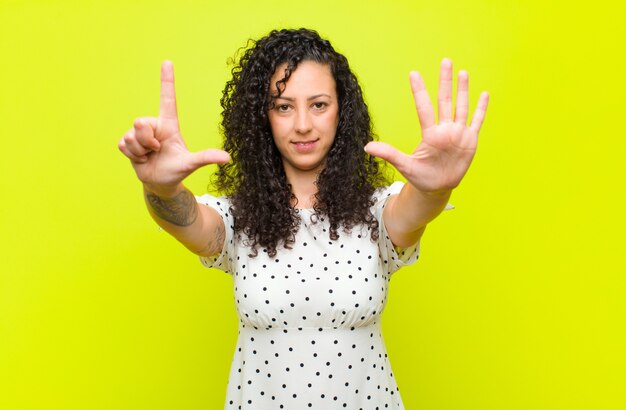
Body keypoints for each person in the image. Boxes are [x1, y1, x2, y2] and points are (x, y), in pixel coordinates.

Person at [118, 28, 489, 409]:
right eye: (283, 106)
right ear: (263, 117)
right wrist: (161, 189)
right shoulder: (238, 219)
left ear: (341, 111)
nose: (302, 125)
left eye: (318, 105)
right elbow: (188, 221)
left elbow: (413, 211)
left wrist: (436, 188)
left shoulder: (377, 212)